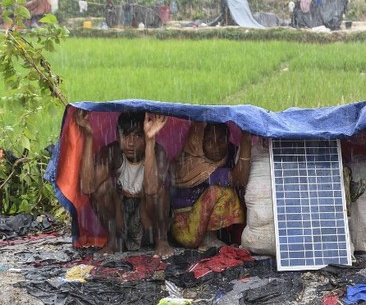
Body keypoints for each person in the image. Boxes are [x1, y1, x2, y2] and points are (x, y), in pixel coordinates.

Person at [75, 110, 173, 258]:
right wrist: (88, 136)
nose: (131, 143)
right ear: (117, 136)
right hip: (122, 217)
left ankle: (162, 241)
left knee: (159, 192)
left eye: (138, 136)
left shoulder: (158, 152)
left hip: (148, 220)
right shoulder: (113, 152)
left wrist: (150, 141)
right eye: (125, 136)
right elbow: (88, 187)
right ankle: (114, 240)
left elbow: (152, 188)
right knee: (100, 189)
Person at [169, 122, 251, 249]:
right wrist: (246, 140)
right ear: (197, 142)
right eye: (209, 141)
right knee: (222, 192)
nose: (216, 146)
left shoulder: (228, 155)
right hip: (185, 231)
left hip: (198, 226)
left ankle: (218, 236)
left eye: (221, 140)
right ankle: (209, 239)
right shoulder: (194, 166)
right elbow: (238, 179)